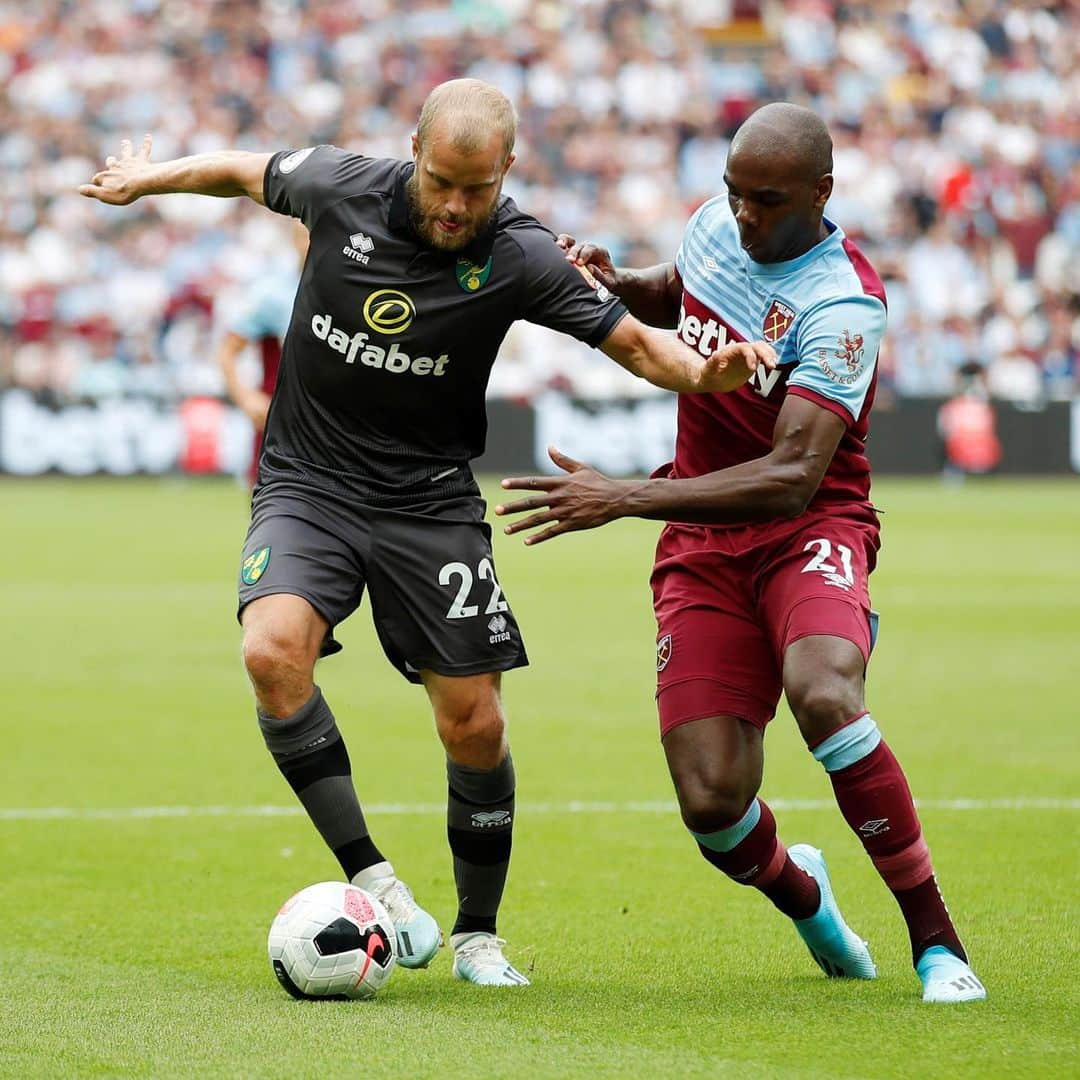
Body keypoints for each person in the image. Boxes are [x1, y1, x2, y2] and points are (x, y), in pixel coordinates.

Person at [79, 79, 774, 988]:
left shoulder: (522, 254)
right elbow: (243, 170)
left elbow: (639, 348)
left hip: (429, 503)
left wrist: (708, 373)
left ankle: (479, 935)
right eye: (442, 181)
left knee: (474, 723)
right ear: (415, 151)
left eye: (476, 190)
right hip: (309, 483)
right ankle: (375, 881)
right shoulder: (339, 185)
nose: (455, 206)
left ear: (507, 172)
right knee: (271, 652)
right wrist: (149, 177)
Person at [498, 102, 986, 1003]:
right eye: (733, 194)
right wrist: (616, 281)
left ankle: (938, 947)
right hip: (703, 545)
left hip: (809, 529)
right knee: (713, 802)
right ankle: (806, 898)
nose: (744, 216)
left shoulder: (844, 305)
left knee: (825, 691)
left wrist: (624, 495)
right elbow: (684, 292)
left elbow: (792, 475)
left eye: (765, 201)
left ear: (819, 194)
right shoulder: (719, 225)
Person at [216, 221, 309, 485]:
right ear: (294, 240)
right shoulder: (273, 294)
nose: (313, 243)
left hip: (333, 426)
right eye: (306, 236)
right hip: (280, 422)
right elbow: (227, 351)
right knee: (272, 512)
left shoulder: (352, 290)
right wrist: (245, 397)